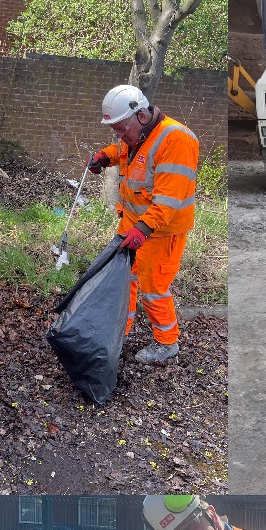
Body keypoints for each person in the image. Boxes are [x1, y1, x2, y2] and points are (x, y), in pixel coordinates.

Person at [87, 86, 200, 365]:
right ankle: (119, 332)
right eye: (115, 130)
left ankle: (167, 342)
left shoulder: (177, 141)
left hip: (161, 231)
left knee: (153, 287)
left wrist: (143, 230)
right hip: (134, 223)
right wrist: (106, 156)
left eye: (121, 128)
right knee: (125, 280)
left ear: (140, 116)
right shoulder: (135, 133)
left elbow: (167, 201)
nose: (119, 135)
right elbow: (125, 149)